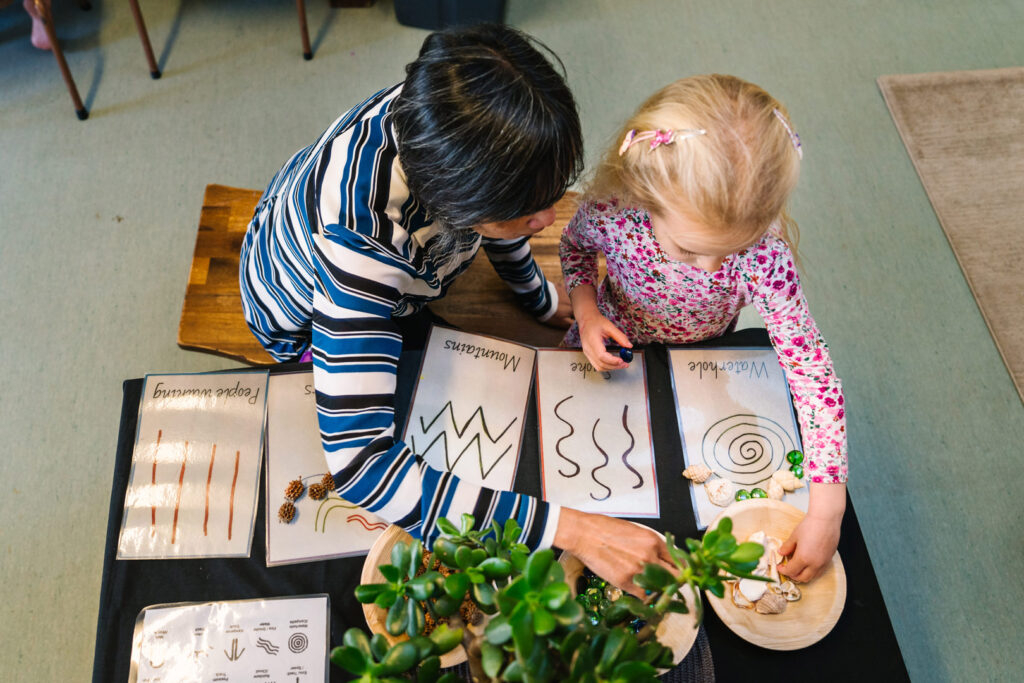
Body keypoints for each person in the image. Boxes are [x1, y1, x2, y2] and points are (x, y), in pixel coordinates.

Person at [240, 24, 675, 595]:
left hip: (396, 265)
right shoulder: (361, 245)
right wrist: (579, 532)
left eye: (550, 195)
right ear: (457, 196)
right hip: (298, 312)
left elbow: (497, 213)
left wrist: (539, 298)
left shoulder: (449, 117)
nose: (546, 220)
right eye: (525, 208)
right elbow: (360, 468)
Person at [560, 74, 847, 582]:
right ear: (643, 194)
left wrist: (827, 510)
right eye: (692, 251)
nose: (715, 269)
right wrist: (585, 311)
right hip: (614, 339)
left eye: (733, 249)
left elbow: (812, 373)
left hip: (707, 357)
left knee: (686, 494)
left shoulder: (765, 255)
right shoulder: (615, 211)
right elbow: (576, 250)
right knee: (588, 465)